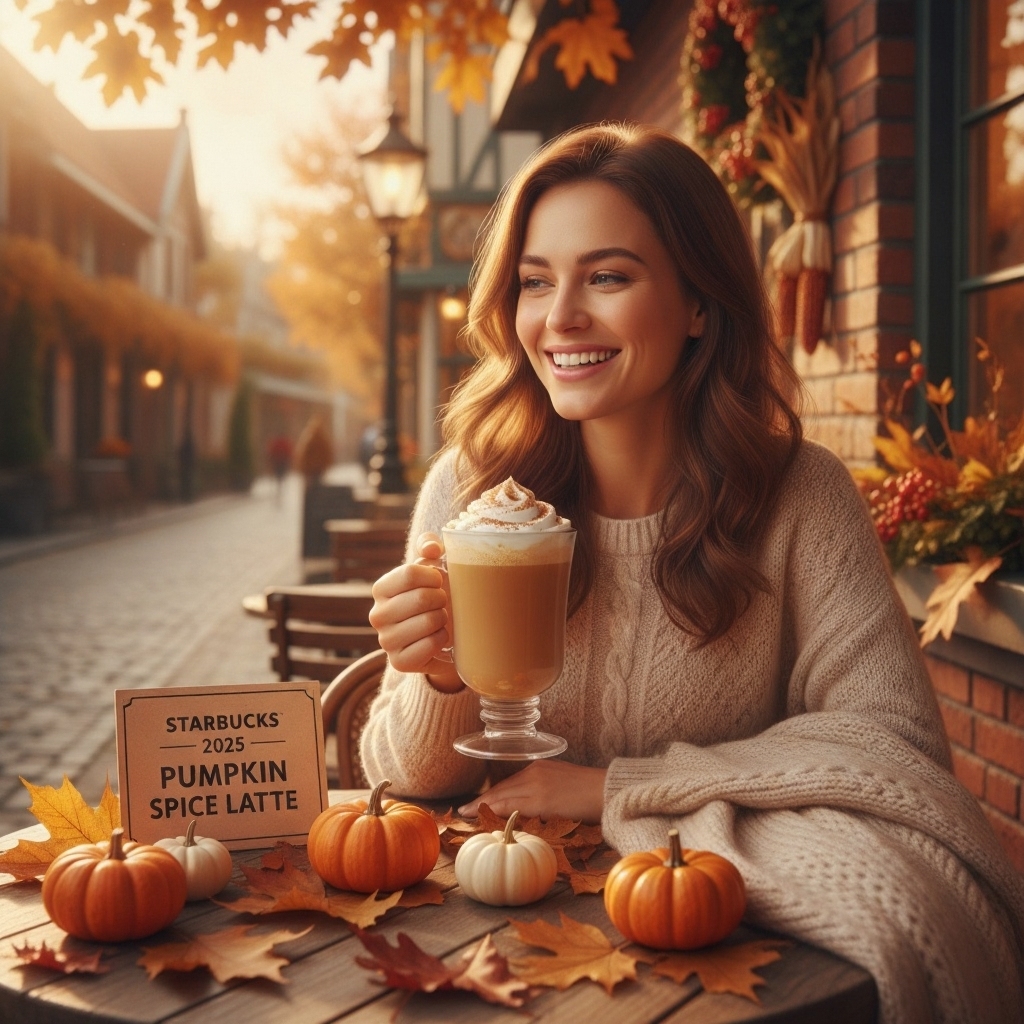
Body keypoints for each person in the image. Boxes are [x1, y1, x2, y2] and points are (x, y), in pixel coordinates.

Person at [362, 123, 1024, 1023]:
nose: (560, 317)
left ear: (700, 302)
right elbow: (405, 778)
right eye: (534, 281)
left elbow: (893, 744)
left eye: (608, 276)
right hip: (492, 945)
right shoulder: (472, 491)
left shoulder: (800, 498)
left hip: (720, 957)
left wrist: (614, 790)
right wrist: (438, 675)